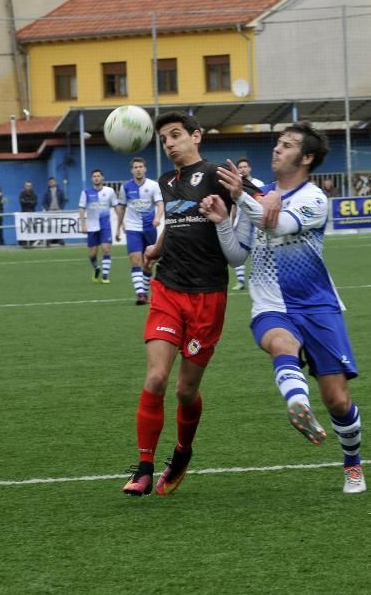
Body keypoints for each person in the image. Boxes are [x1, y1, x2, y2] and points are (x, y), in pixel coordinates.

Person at [200, 122, 366, 494]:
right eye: (278, 142)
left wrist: (244, 197)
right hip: (271, 304)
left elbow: (279, 226)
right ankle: (296, 402)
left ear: (306, 158)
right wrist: (223, 222)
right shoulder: (259, 195)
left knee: (338, 400)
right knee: (279, 343)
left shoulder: (315, 199)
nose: (277, 149)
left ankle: (353, 464)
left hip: (318, 305)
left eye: (287, 145)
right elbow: (236, 256)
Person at [122, 111, 264, 497]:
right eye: (163, 139)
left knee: (186, 391)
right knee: (155, 378)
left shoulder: (218, 172)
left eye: (175, 135)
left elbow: (265, 198)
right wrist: (156, 247)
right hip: (168, 288)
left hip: (208, 295)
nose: (168, 143)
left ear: (196, 136)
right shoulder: (167, 181)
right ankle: (144, 467)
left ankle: (182, 453)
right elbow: (175, 219)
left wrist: (244, 198)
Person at [116, 157, 164, 302]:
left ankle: (144, 288)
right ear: (132, 170)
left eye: (140, 166)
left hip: (150, 228)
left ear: (145, 169)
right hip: (132, 228)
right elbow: (121, 208)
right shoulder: (126, 187)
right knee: (135, 259)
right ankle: (141, 294)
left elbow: (160, 204)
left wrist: (157, 218)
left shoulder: (153, 185)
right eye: (135, 167)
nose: (138, 169)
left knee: (148, 263)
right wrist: (118, 227)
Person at [78, 169, 119, 284]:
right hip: (92, 226)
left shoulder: (110, 191)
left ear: (102, 178)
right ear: (92, 179)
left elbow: (116, 206)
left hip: (105, 226)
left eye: (98, 176)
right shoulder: (86, 192)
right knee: (92, 254)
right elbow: (81, 208)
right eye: (94, 176)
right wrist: (83, 224)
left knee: (106, 249)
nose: (96, 178)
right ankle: (96, 268)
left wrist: (122, 223)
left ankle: (105, 276)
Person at [231, 158, 263, 291]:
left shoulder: (258, 183)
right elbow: (233, 206)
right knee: (238, 252)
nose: (243, 169)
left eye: (245, 166)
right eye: (240, 167)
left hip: (257, 224)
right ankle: (240, 281)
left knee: (258, 251)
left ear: (249, 168)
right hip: (241, 223)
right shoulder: (235, 184)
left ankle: (255, 278)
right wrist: (231, 222)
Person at [42, 176, 67, 246]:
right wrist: (47, 209)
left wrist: (61, 208)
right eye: (50, 182)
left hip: (58, 210)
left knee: (59, 225)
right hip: (50, 211)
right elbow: (43, 202)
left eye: (53, 181)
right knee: (50, 226)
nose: (52, 183)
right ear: (48, 183)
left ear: (55, 182)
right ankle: (49, 240)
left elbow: (63, 200)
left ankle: (60, 240)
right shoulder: (47, 192)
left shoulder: (60, 191)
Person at [18, 181, 39, 248]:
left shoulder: (34, 194)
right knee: (25, 228)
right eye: (27, 186)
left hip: (32, 213)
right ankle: (24, 243)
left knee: (32, 228)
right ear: (25, 186)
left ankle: (32, 242)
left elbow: (34, 203)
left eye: (29, 186)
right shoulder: (22, 194)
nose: (28, 187)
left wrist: (27, 202)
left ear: (31, 187)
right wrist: (30, 202)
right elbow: (22, 203)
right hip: (24, 214)